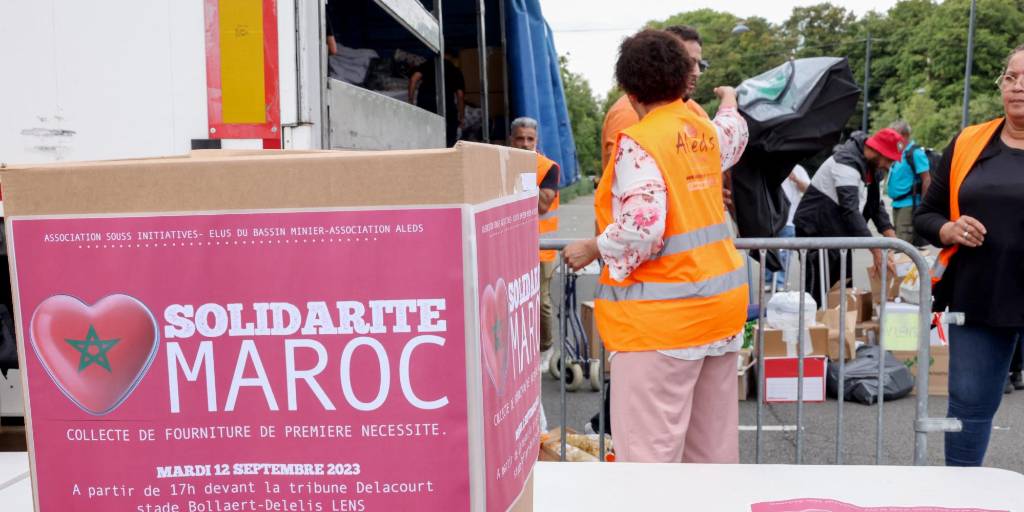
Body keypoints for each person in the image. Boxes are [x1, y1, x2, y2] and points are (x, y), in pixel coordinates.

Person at [563, 29, 749, 463]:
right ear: (684, 79)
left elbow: (643, 229)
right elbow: (733, 133)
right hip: (719, 313)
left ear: (629, 92)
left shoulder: (640, 143)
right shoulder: (702, 131)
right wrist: (729, 101)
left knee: (648, 462)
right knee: (711, 457)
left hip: (662, 326)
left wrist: (593, 247)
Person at [913, 44, 1024, 467]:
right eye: (1010, 77)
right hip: (978, 298)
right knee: (968, 409)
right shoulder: (969, 142)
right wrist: (948, 229)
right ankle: (960, 493)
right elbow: (926, 215)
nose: (1017, 86)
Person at [600, 25, 746, 181]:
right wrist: (729, 97)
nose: (696, 72)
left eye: (699, 64)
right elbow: (629, 181)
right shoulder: (627, 117)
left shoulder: (694, 110)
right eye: (687, 62)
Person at [793, 128, 904, 305]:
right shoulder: (845, 161)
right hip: (816, 231)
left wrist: (894, 241)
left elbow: (876, 206)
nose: (889, 166)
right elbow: (849, 209)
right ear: (877, 151)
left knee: (842, 290)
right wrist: (876, 251)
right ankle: (812, 321)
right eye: (889, 160)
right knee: (818, 293)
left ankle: (837, 321)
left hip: (837, 233)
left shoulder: (873, 168)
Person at [508, 117, 560, 373]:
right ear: (512, 140)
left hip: (542, 246)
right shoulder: (503, 163)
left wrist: (523, 174)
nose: (525, 144)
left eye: (530, 139)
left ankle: (546, 347)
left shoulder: (548, 168)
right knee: (513, 299)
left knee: (541, 301)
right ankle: (518, 347)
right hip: (511, 246)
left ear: (536, 141)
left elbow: (543, 205)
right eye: (520, 139)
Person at [885, 120, 931, 247]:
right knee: (898, 240)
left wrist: (923, 205)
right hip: (897, 203)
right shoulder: (900, 152)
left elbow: (927, 179)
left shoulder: (915, 152)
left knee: (903, 243)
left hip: (909, 204)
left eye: (894, 134)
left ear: (904, 135)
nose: (891, 138)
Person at [765, 165, 810, 290]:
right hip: (770, 219)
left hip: (789, 219)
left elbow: (809, 189)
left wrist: (796, 179)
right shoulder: (769, 167)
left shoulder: (798, 169)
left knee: (784, 253)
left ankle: (780, 282)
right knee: (769, 251)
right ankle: (768, 280)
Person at [409, 51, 466, 147]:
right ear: (452, 58)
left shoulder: (429, 64)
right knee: (449, 136)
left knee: (424, 134)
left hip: (425, 103)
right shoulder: (455, 70)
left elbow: (414, 79)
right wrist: (461, 116)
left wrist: (411, 100)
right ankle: (447, 151)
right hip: (446, 105)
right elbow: (460, 95)